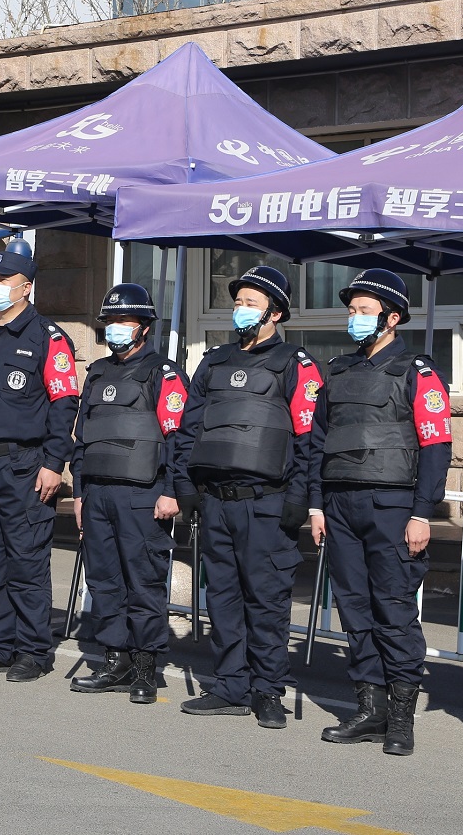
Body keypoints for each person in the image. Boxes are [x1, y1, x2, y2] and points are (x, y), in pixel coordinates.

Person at [169, 266, 322, 728]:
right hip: (216, 500)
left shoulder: (297, 365)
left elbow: (309, 438)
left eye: (251, 303)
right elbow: (187, 429)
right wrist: (184, 487)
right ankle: (231, 685)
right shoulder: (213, 362)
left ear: (275, 312)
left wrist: (300, 497)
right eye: (238, 302)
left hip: (267, 502)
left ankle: (268, 690)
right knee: (223, 597)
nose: (240, 310)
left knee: (266, 599)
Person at [310, 268, 451, 756]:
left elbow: (436, 448)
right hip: (340, 504)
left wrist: (421, 513)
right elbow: (317, 442)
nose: (355, 318)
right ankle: (368, 709)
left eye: (364, 311)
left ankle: (399, 718)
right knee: (354, 608)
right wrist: (316, 504)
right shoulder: (338, 371)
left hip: (393, 507)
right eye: (351, 310)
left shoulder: (418, 371)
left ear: (391, 318)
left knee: (393, 610)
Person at [0, 247, 80, 683]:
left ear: (26, 286)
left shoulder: (49, 337)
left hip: (25, 466)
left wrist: (53, 463)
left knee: (26, 563)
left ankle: (33, 651)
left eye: (4, 279)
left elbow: (64, 405)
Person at [68, 284, 189, 704]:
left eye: (124, 321)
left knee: (143, 583)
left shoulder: (163, 373)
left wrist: (172, 492)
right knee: (104, 582)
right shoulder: (97, 372)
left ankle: (145, 667)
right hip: (98, 492)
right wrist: (80, 493)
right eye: (110, 322)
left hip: (143, 494)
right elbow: (82, 440)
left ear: (145, 327)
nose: (115, 329)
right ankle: (114, 660)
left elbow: (179, 439)